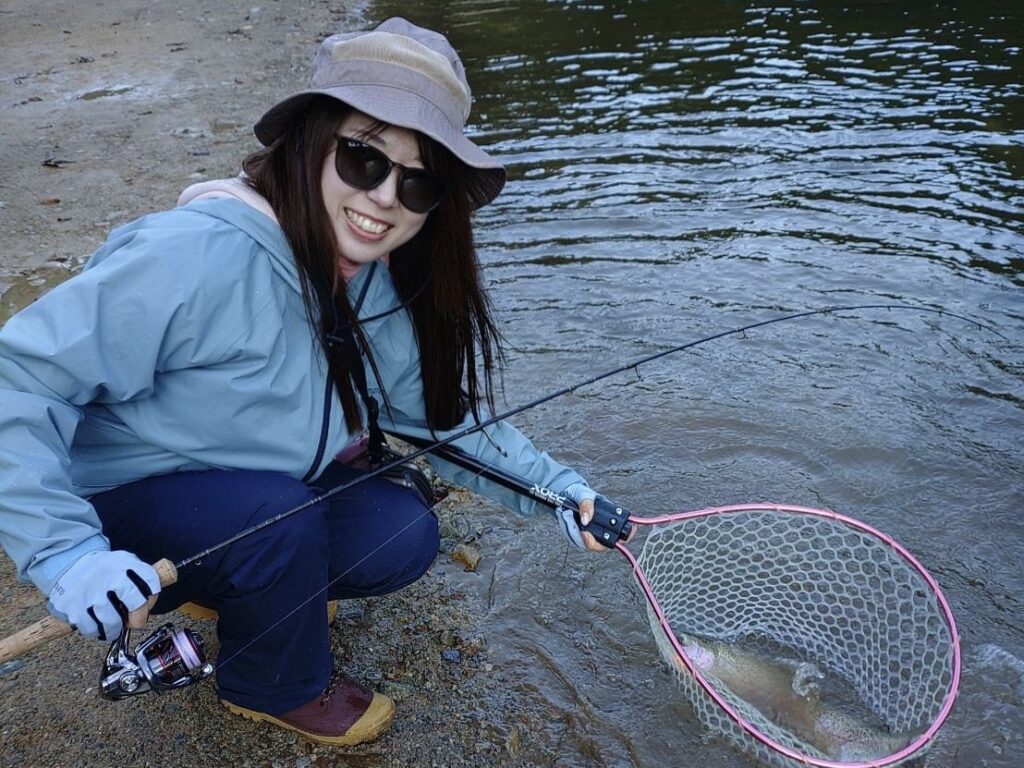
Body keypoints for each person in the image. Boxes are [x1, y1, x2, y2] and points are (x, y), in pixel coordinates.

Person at [0, 17, 621, 747]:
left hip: (238, 496)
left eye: (418, 181)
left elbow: (438, 423)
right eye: (365, 159)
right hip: (120, 506)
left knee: (399, 533)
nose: (387, 195)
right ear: (309, 142)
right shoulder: (195, 255)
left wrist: (563, 493)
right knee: (281, 516)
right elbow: (22, 380)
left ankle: (238, 586)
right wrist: (67, 554)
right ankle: (272, 684)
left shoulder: (368, 282)